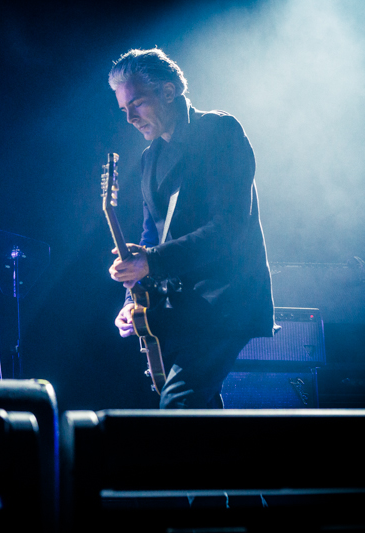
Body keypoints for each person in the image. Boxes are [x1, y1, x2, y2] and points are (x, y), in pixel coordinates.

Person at [107, 48, 276, 409]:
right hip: (181, 309)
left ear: (168, 92)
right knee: (201, 415)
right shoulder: (150, 158)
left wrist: (150, 260)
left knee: (179, 405)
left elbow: (229, 227)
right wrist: (131, 297)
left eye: (136, 103)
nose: (130, 118)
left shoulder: (218, 131)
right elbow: (150, 239)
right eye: (124, 110)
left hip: (225, 302)